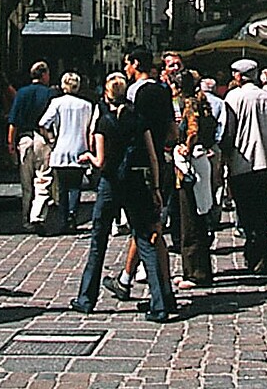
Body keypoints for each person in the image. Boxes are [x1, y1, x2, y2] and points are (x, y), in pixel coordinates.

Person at [72, 74, 178, 322]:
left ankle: (86, 299)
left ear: (107, 95)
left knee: (98, 242)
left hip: (111, 183)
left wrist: (88, 158)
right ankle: (159, 304)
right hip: (137, 183)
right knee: (145, 240)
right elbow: (152, 156)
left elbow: (101, 160)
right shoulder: (138, 120)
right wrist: (156, 188)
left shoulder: (104, 122)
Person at [115, 48, 179, 301]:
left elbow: (131, 130)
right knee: (150, 225)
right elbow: (173, 131)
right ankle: (128, 279)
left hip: (139, 163)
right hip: (162, 161)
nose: (126, 69)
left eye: (128, 64)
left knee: (147, 228)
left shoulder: (134, 92)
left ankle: (160, 292)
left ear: (135, 64)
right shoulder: (164, 91)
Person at [220, 58, 267, 273]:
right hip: (266, 161)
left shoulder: (233, 98)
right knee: (263, 209)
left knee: (246, 212)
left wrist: (225, 158)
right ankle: (263, 251)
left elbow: (228, 131)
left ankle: (254, 253)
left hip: (243, 162)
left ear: (238, 76)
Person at [173, 69, 217, 289]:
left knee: (190, 219)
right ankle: (195, 269)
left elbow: (193, 130)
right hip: (201, 162)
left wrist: (185, 149)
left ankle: (195, 272)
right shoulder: (201, 101)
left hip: (192, 166)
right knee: (197, 216)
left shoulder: (190, 104)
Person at [38, 72, 97, 233]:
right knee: (76, 186)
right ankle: (73, 214)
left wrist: (51, 139)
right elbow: (90, 128)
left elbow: (43, 123)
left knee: (63, 188)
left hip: (61, 149)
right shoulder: (86, 105)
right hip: (79, 148)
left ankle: (64, 219)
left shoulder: (57, 102)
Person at [9, 62, 55, 229]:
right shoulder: (49, 93)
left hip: (25, 139)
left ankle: (26, 218)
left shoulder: (21, 93)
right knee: (43, 180)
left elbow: (13, 121)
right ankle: (38, 215)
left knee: (26, 183)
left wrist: (10, 143)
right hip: (42, 139)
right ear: (44, 75)